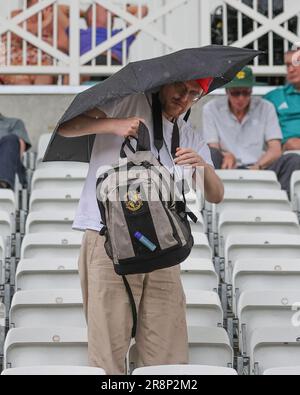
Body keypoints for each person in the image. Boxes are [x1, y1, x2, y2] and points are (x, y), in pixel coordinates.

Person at [58, 79, 224, 374]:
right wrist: (114, 125)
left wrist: (202, 166)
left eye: (193, 95)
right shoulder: (128, 99)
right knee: (107, 351)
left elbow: (216, 194)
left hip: (162, 248)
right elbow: (66, 126)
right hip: (107, 238)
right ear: (164, 83)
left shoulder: (186, 134)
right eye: (180, 89)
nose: (184, 98)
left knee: (167, 351)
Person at [202, 66, 300, 196]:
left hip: (260, 165)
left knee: (293, 160)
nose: (241, 98)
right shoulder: (211, 108)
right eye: (236, 93)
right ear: (227, 91)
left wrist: (259, 165)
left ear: (251, 90)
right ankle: (211, 200)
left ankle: (285, 205)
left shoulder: (266, 107)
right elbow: (212, 147)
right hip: (226, 165)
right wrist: (226, 154)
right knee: (211, 154)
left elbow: (275, 149)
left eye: (246, 92)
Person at [0, 0, 70, 85]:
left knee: (44, 80)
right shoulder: (16, 14)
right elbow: (21, 34)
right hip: (16, 65)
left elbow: (66, 47)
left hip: (43, 65)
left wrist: (49, 43)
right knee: (23, 84)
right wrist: (46, 22)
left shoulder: (54, 17)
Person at [264, 49, 300, 152]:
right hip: (287, 153)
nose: (291, 70)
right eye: (288, 65)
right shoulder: (274, 97)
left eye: (296, 63)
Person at [0, 113, 31, 190]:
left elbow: (20, 145)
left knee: (11, 139)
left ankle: (3, 185)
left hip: (8, 164)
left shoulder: (14, 123)